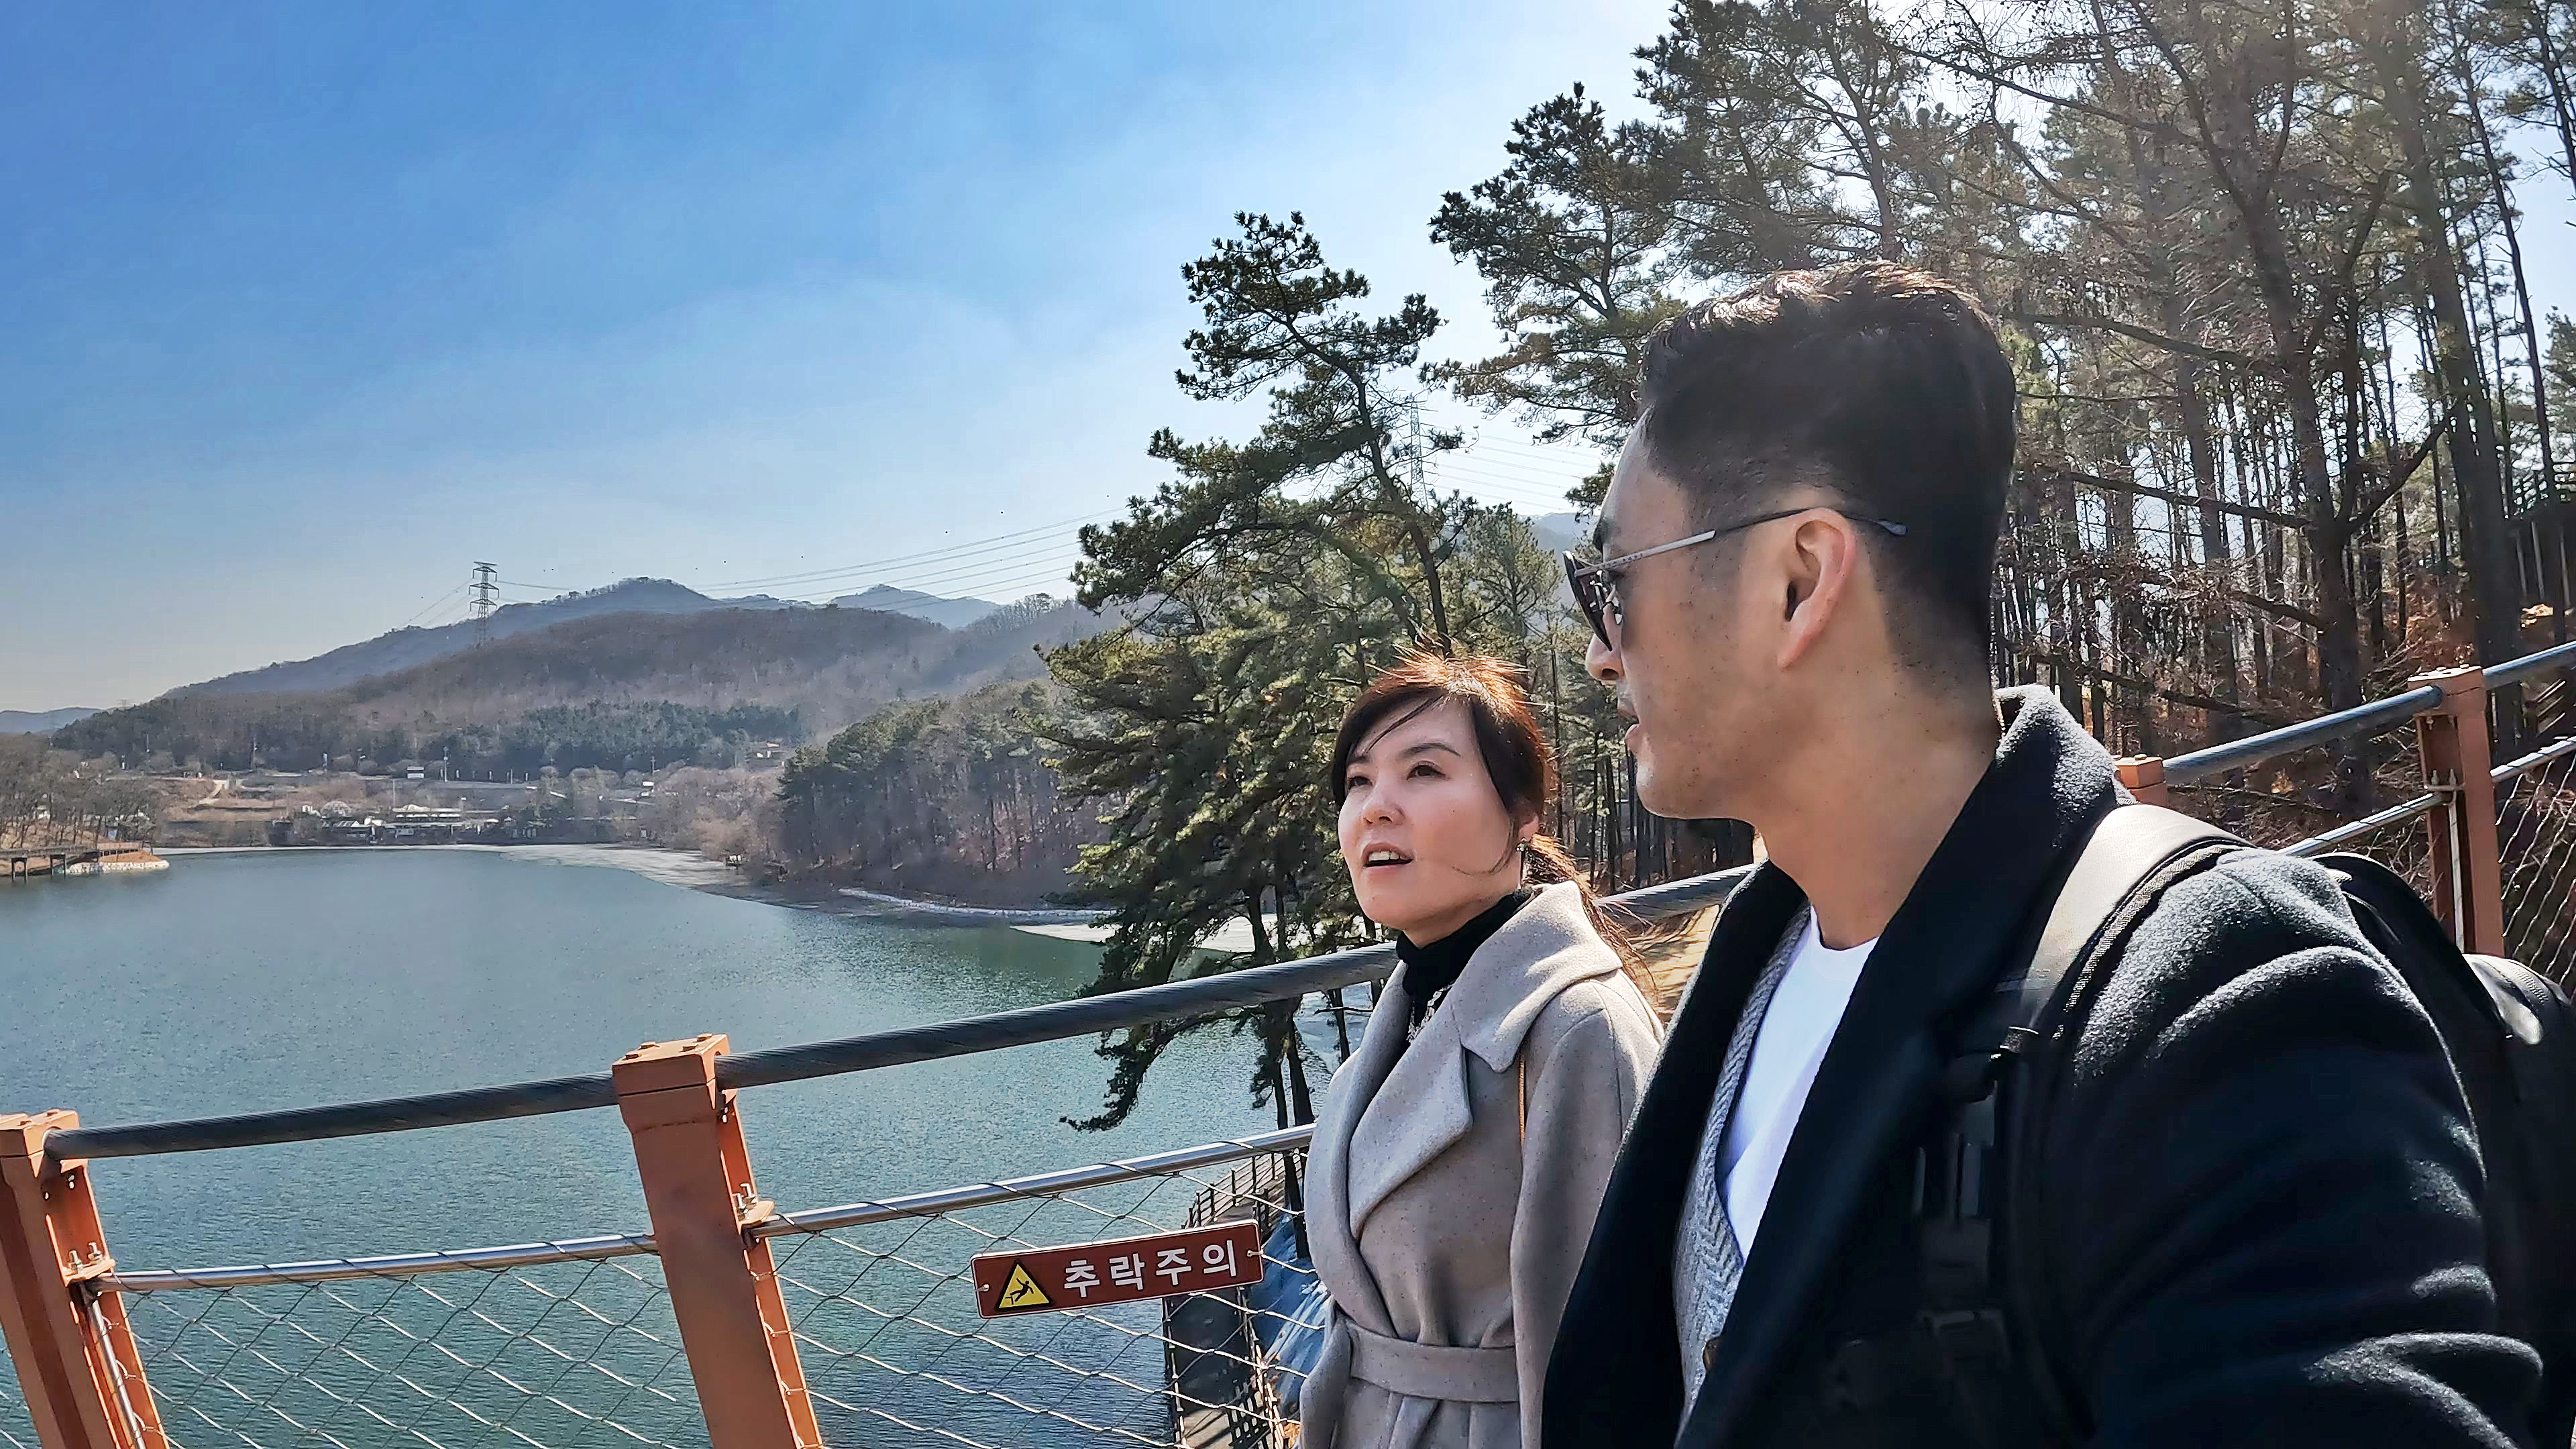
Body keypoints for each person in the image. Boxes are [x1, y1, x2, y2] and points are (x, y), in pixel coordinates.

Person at [1540, 262, 2538, 1448]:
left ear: (1798, 580)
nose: (1601, 652)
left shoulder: (2217, 1004)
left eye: (1613, 585)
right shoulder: (1755, 960)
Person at [1298, 652, 1663, 1449]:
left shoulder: (1578, 1031)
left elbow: (1613, 1370)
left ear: (1522, 813)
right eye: (1358, 781)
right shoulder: (1408, 1018)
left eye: (1424, 771)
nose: (1375, 808)